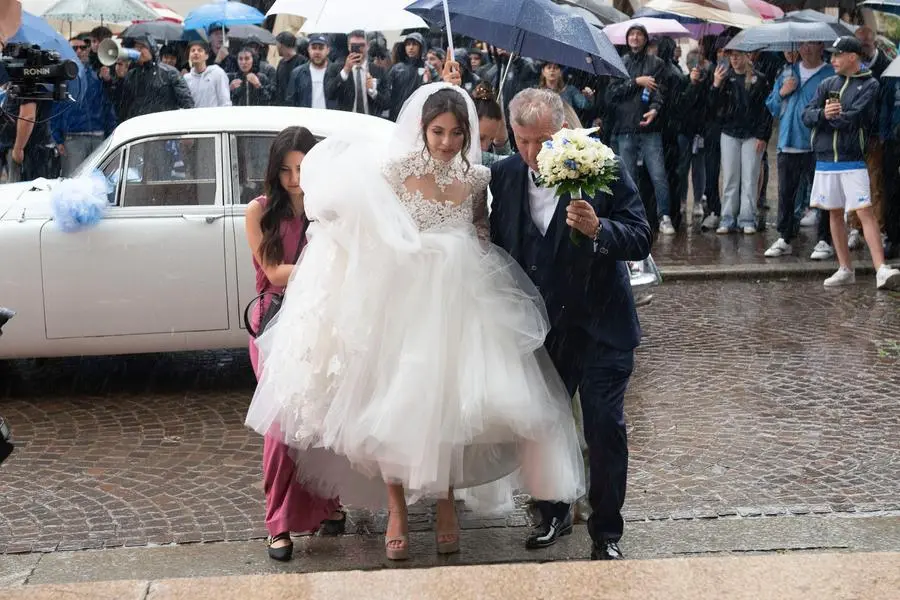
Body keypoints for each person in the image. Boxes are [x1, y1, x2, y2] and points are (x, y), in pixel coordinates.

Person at [245, 83, 585, 561]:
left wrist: (471, 248)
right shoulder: (393, 173)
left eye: (455, 133)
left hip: (461, 294)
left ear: (467, 134)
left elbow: (481, 229)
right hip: (403, 295)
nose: (446, 142)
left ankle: (446, 503)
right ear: (422, 131)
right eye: (437, 131)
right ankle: (397, 508)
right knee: (393, 402)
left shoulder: (477, 178)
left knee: (448, 402)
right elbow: (366, 220)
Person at [489, 88, 651, 560]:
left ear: (563, 132)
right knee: (546, 425)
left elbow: (641, 236)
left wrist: (600, 230)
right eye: (522, 140)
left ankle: (606, 532)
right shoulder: (502, 175)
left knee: (603, 426)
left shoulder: (603, 167)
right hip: (543, 327)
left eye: (542, 141)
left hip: (603, 324)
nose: (532, 153)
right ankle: (553, 513)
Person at [243, 127, 347, 561]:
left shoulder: (329, 209)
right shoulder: (260, 210)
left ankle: (327, 502)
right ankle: (278, 521)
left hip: (323, 315)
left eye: (301, 168)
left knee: (324, 412)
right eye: (285, 169)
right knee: (282, 418)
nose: (293, 178)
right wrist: (324, 268)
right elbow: (273, 271)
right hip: (274, 317)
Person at [802, 36, 900, 291]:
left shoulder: (870, 85)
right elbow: (807, 114)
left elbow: (855, 119)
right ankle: (845, 268)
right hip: (825, 159)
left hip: (852, 158)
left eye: (837, 55)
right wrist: (823, 115)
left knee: (864, 210)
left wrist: (828, 118)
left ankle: (881, 269)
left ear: (853, 57)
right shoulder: (826, 83)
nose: (832, 60)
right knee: (834, 211)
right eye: (831, 55)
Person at [764, 43, 833, 258]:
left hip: (816, 144)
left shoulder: (830, 74)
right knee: (786, 194)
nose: (806, 49)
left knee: (822, 195)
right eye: (802, 44)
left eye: (811, 45)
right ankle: (785, 237)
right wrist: (783, 92)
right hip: (788, 142)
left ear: (821, 46)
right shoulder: (787, 72)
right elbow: (772, 107)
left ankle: (824, 239)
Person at [606, 24, 673, 235]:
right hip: (625, 128)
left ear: (645, 39)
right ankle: (633, 217)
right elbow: (612, 93)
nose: (635, 38)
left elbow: (660, 92)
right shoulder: (620, 63)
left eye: (639, 35)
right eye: (631, 35)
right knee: (628, 177)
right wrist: (636, 82)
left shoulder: (656, 63)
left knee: (658, 174)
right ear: (627, 40)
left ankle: (664, 216)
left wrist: (654, 110)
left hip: (650, 128)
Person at [711, 49, 772, 235]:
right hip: (729, 133)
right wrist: (715, 85)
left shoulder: (759, 79)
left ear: (748, 55)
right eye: (731, 56)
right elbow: (713, 106)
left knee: (750, 178)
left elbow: (766, 110)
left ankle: (747, 218)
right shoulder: (725, 77)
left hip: (752, 134)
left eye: (738, 55)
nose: (734, 59)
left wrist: (763, 136)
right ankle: (727, 218)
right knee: (730, 177)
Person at [51, 36, 117, 176]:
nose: (79, 51)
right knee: (74, 183)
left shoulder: (96, 76)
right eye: (75, 48)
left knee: (98, 182)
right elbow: (55, 108)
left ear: (88, 50)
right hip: (73, 139)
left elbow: (107, 105)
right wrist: (57, 138)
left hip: (98, 137)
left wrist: (107, 81)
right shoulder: (61, 77)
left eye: (83, 47)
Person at [121, 33, 195, 120]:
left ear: (151, 49)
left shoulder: (170, 72)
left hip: (163, 126)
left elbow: (187, 102)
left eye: (142, 47)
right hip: (139, 127)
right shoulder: (131, 75)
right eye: (136, 47)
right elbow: (124, 106)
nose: (138, 50)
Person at [325, 29, 386, 115]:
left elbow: (386, 103)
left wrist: (373, 92)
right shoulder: (336, 68)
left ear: (368, 46)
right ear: (349, 46)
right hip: (347, 121)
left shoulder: (378, 70)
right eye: (354, 45)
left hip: (371, 122)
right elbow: (330, 95)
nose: (358, 49)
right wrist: (345, 71)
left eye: (362, 45)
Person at [286, 34, 335, 110]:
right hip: (305, 119)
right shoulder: (297, 73)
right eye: (314, 48)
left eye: (321, 48)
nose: (317, 52)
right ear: (308, 49)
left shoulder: (336, 72)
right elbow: (290, 101)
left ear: (328, 50)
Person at [184, 40, 231, 108]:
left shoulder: (217, 73)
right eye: (193, 50)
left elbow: (225, 101)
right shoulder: (186, 79)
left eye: (200, 50)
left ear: (206, 56)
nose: (196, 53)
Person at [273, 31, 304, 106]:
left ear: (281, 45)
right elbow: (277, 86)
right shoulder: (281, 62)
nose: (276, 47)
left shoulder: (302, 62)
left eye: (277, 44)